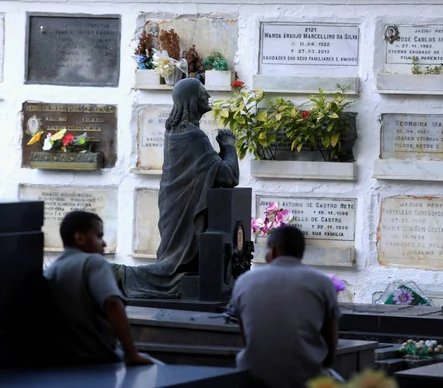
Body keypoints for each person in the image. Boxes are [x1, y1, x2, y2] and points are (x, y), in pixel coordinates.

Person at [113, 78, 240, 298]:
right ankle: (123, 275)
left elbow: (210, 171)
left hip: (177, 205)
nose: (208, 96)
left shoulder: (177, 132)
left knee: (175, 261)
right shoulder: (194, 136)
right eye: (203, 92)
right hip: (184, 210)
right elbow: (228, 176)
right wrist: (229, 146)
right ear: (192, 99)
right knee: (174, 265)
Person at [229, 225, 341, 388]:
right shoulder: (322, 282)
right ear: (301, 253)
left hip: (254, 374)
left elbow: (247, 336)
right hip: (307, 376)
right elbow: (331, 339)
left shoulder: (245, 280)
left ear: (273, 251)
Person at [44, 210, 154, 366]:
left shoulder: (51, 270)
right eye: (99, 236)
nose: (104, 243)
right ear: (79, 238)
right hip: (99, 359)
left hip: (63, 361)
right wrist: (131, 354)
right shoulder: (93, 262)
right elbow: (112, 303)